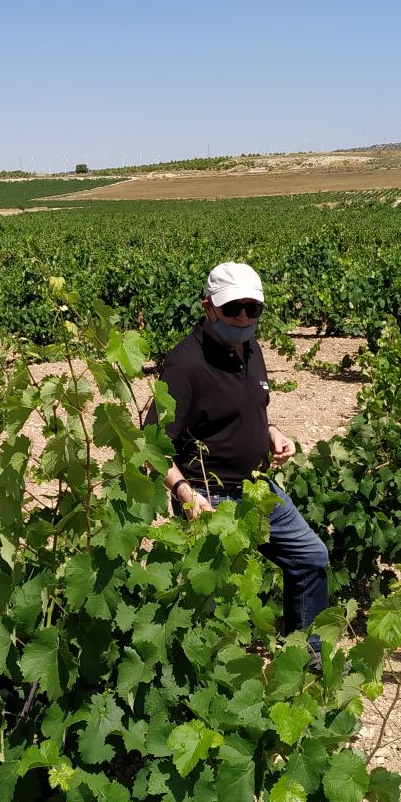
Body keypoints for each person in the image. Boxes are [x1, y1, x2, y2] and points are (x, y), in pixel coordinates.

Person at [147, 262, 331, 652]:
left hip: (256, 489)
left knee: (312, 557)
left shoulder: (251, 349)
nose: (244, 317)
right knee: (209, 598)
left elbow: (248, 409)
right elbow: (151, 447)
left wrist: (273, 433)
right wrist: (185, 493)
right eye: (233, 309)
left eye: (253, 308)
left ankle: (307, 657)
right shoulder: (185, 365)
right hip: (209, 496)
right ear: (208, 307)